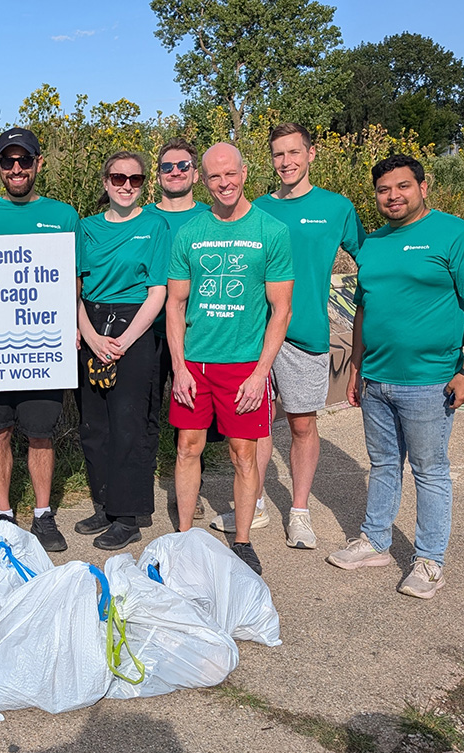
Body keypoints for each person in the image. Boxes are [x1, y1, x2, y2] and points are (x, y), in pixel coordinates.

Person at [328, 154, 464, 599]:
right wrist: (358, 366)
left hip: (430, 381)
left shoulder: (454, 234)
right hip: (377, 378)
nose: (393, 196)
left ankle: (429, 561)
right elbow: (364, 308)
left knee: (430, 471)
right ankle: (375, 542)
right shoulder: (375, 244)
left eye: (402, 186)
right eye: (384, 190)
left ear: (423, 187)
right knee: (384, 465)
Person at [209, 123, 364, 549]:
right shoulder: (256, 208)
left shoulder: (336, 208)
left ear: (311, 154)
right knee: (254, 426)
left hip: (305, 334)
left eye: (294, 152)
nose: (286, 162)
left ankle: (299, 512)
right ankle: (253, 503)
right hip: (252, 335)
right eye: (278, 155)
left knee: (300, 424)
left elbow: (371, 261)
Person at [166, 143, 294, 575]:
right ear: (203, 179)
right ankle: (183, 538)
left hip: (244, 366)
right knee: (187, 448)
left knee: (243, 455)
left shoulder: (270, 231)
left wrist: (261, 373)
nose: (224, 183)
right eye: (214, 176)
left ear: (244, 173)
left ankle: (242, 542)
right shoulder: (189, 233)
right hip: (196, 363)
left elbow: (281, 311)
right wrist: (179, 367)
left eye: (231, 174)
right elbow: (175, 306)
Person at [0, 127, 79, 552]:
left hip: (44, 347)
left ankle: (43, 515)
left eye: (24, 161)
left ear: (37, 164)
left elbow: (72, 283)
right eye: (8, 161)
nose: (16, 168)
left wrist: (73, 328)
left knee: (40, 433)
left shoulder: (64, 216)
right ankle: (4, 515)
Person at [74, 151, 169, 550]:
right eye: (117, 177)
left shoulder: (155, 226)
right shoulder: (85, 228)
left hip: (135, 328)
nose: (126, 185)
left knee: (129, 423)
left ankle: (128, 515)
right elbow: (72, 288)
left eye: (135, 179)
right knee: (95, 423)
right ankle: (105, 503)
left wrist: (123, 342)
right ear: (105, 181)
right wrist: (92, 337)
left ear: (143, 182)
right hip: (91, 324)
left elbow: (158, 292)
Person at [130, 137, 214, 531]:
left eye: (183, 165)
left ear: (195, 173)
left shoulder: (211, 218)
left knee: (189, 421)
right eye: (167, 166)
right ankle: (138, 493)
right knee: (145, 414)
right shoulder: (142, 217)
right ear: (157, 175)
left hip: (196, 335)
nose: (175, 172)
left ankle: (188, 497)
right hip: (147, 332)